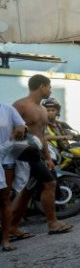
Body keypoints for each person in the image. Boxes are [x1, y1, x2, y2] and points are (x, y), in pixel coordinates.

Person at [10, 74, 73, 234]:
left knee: (28, 191)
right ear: (42, 86)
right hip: (23, 153)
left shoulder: (43, 110)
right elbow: (6, 130)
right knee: (49, 183)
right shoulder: (20, 105)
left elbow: (42, 135)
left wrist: (47, 157)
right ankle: (52, 223)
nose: (50, 90)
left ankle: (12, 227)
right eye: (49, 87)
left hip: (37, 154)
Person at [1, 103, 27, 251]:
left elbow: (22, 127)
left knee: (4, 199)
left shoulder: (7, 109)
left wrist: (20, 129)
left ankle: (5, 239)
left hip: (6, 160)